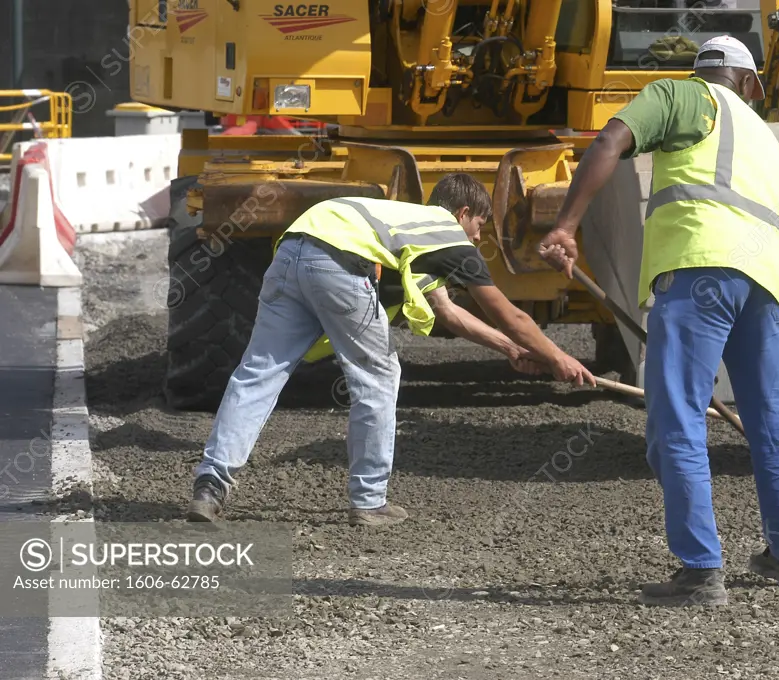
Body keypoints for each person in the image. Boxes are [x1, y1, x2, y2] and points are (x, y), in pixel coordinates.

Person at [538, 36, 779, 606]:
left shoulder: (681, 95)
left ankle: (700, 570)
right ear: (752, 84)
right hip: (767, 285)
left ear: (704, 73)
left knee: (678, 417)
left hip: (700, 271)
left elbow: (610, 139)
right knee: (775, 420)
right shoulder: (767, 137)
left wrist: (566, 225)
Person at [188, 173, 596, 526]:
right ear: (462, 214)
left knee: (258, 372)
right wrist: (559, 357)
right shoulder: (449, 235)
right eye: (479, 225)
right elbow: (512, 316)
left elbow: (448, 312)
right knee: (379, 378)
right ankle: (368, 501)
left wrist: (509, 349)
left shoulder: (407, 227)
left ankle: (211, 483)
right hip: (340, 263)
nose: (477, 238)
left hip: (292, 253)